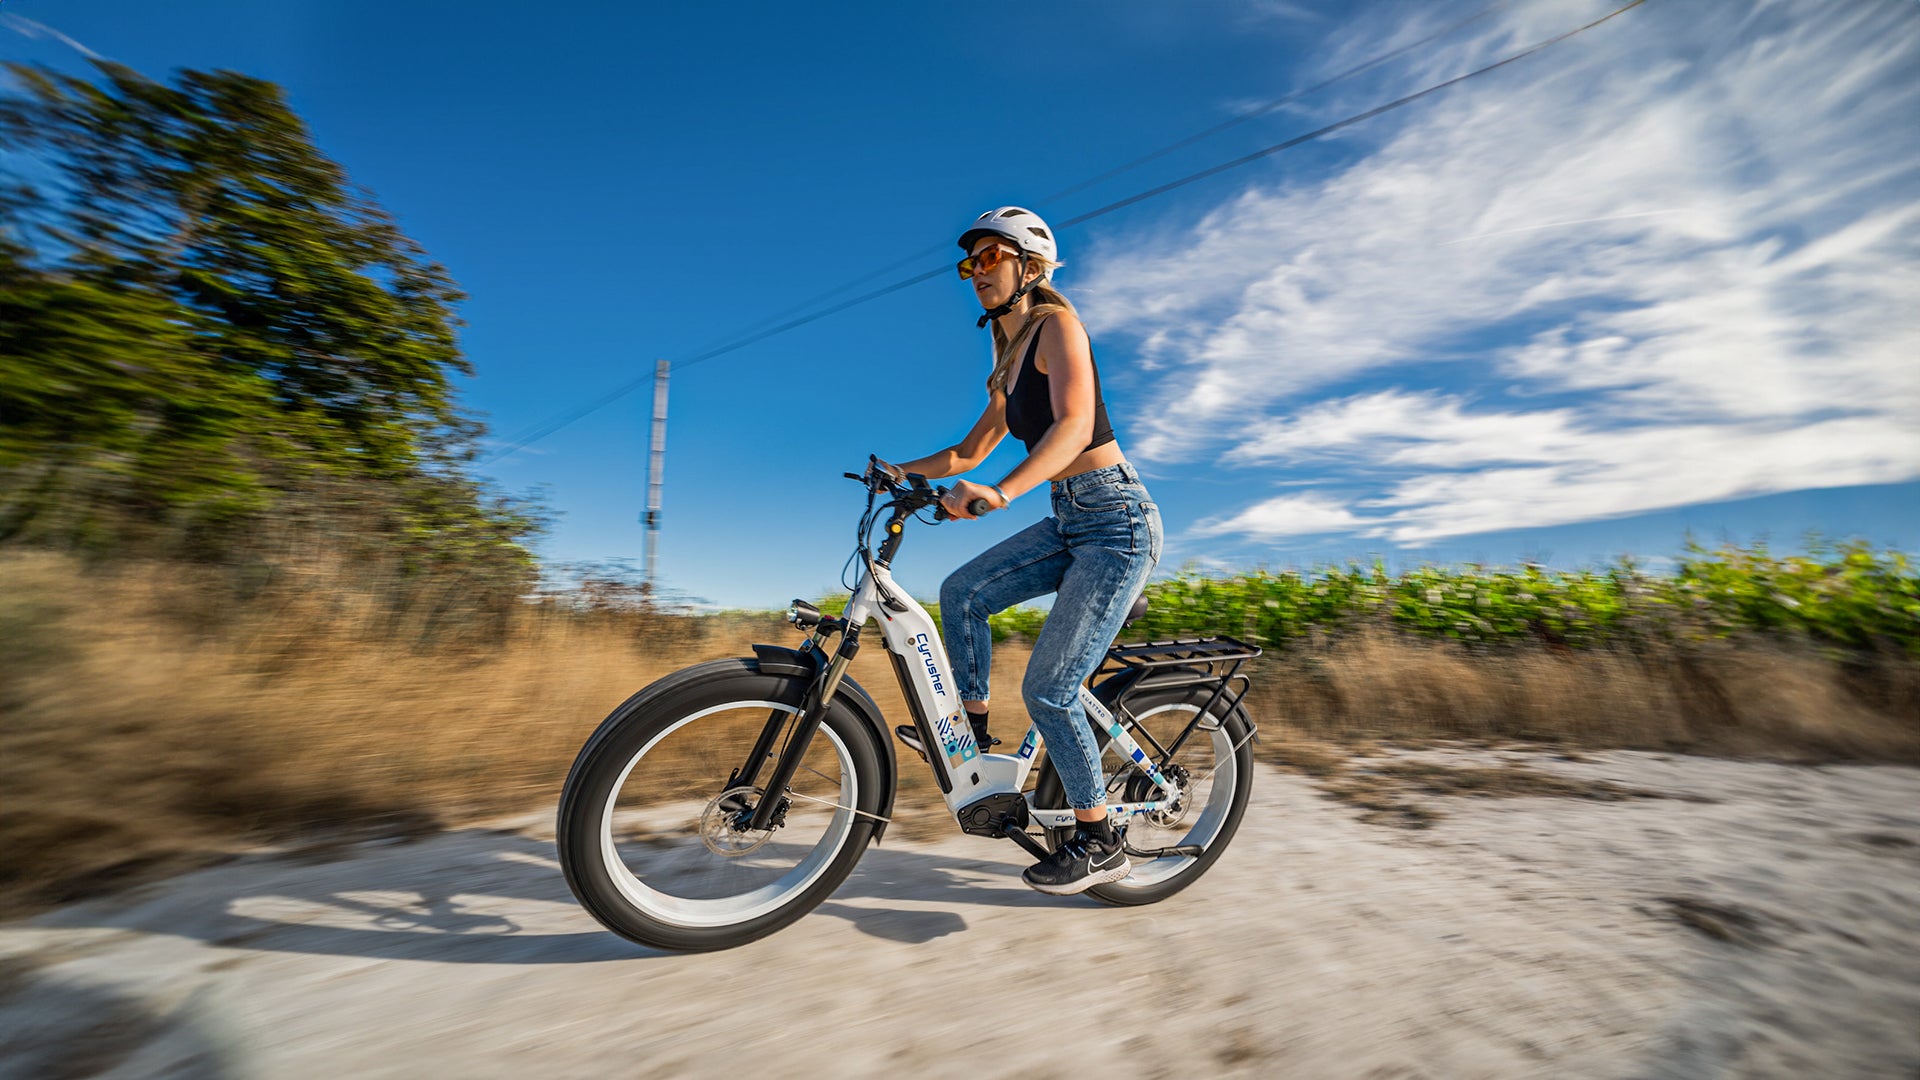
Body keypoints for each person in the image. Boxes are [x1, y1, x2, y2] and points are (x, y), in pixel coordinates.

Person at [880, 206, 1163, 895]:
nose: (976, 273)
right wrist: (899, 472)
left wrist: (1002, 493)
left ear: (1028, 267)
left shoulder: (1058, 327)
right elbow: (966, 450)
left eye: (988, 259)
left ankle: (1100, 842)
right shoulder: (1007, 359)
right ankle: (970, 740)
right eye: (969, 263)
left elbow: (1070, 430)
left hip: (1116, 520)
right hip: (1071, 520)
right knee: (962, 593)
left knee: (1048, 687)